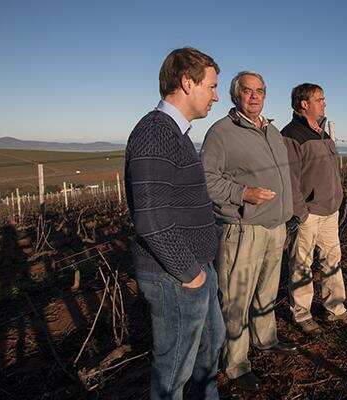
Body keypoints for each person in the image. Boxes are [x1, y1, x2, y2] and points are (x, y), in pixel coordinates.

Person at [124, 47, 225, 400]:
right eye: (211, 86)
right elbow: (152, 219)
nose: (216, 95)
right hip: (175, 276)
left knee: (209, 355)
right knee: (173, 374)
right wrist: (191, 275)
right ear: (186, 82)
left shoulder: (176, 133)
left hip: (196, 269)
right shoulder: (155, 133)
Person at [201, 71, 296, 391]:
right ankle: (237, 363)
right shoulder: (221, 132)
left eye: (260, 91)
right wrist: (243, 193)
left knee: (268, 290)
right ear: (235, 95)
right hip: (242, 229)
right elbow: (207, 180)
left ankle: (266, 339)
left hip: (275, 225)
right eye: (247, 91)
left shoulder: (272, 130)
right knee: (236, 298)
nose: (254, 96)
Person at [281, 83, 347, 336]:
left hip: (330, 210)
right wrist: (300, 211)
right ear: (304, 104)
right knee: (301, 263)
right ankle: (302, 313)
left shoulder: (323, 134)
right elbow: (289, 179)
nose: (324, 103)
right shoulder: (292, 134)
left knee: (332, 259)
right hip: (309, 212)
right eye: (319, 99)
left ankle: (335, 308)